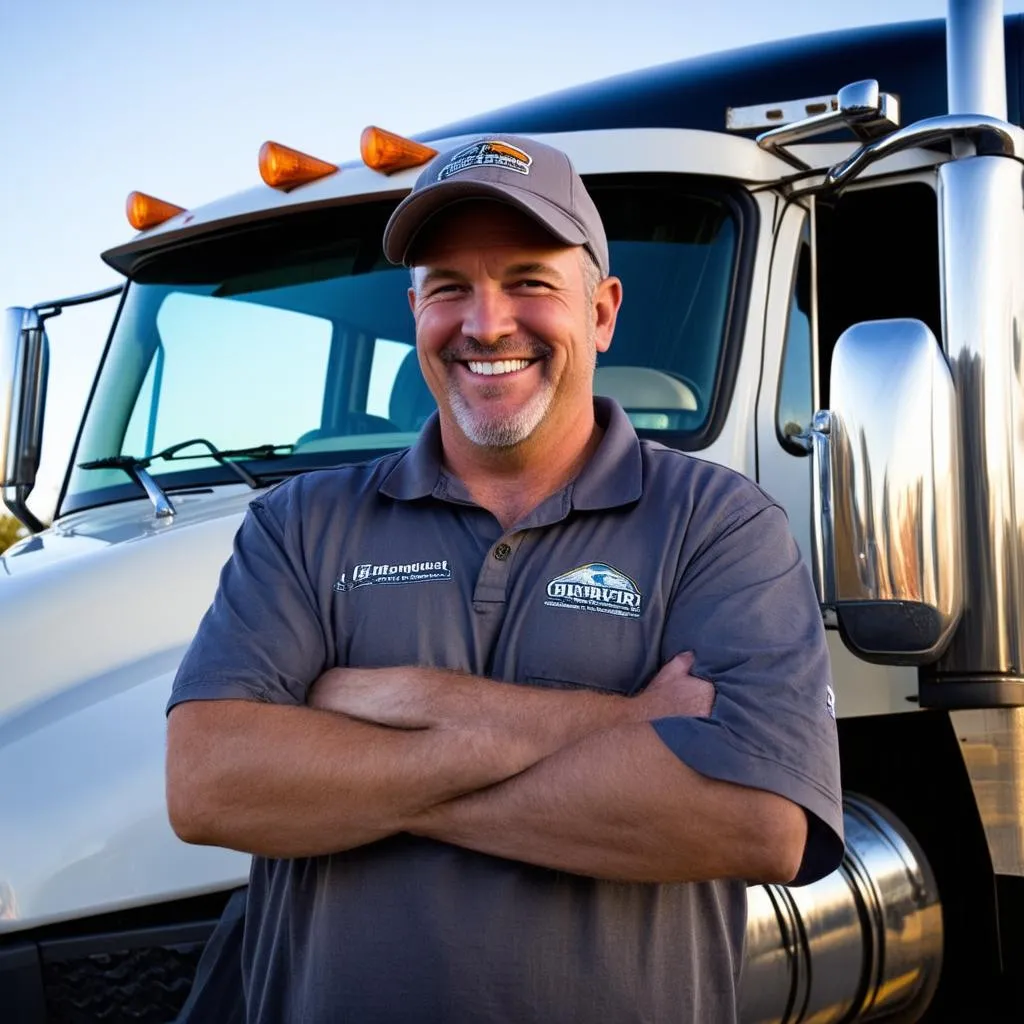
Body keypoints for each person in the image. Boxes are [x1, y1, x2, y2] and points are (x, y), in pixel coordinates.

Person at [166, 134, 844, 1024]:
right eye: (449, 288)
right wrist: (625, 725)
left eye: (529, 280)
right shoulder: (298, 523)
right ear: (416, 314)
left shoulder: (718, 524)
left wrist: (373, 728)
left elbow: (756, 821)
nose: (486, 324)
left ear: (601, 313)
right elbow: (211, 784)